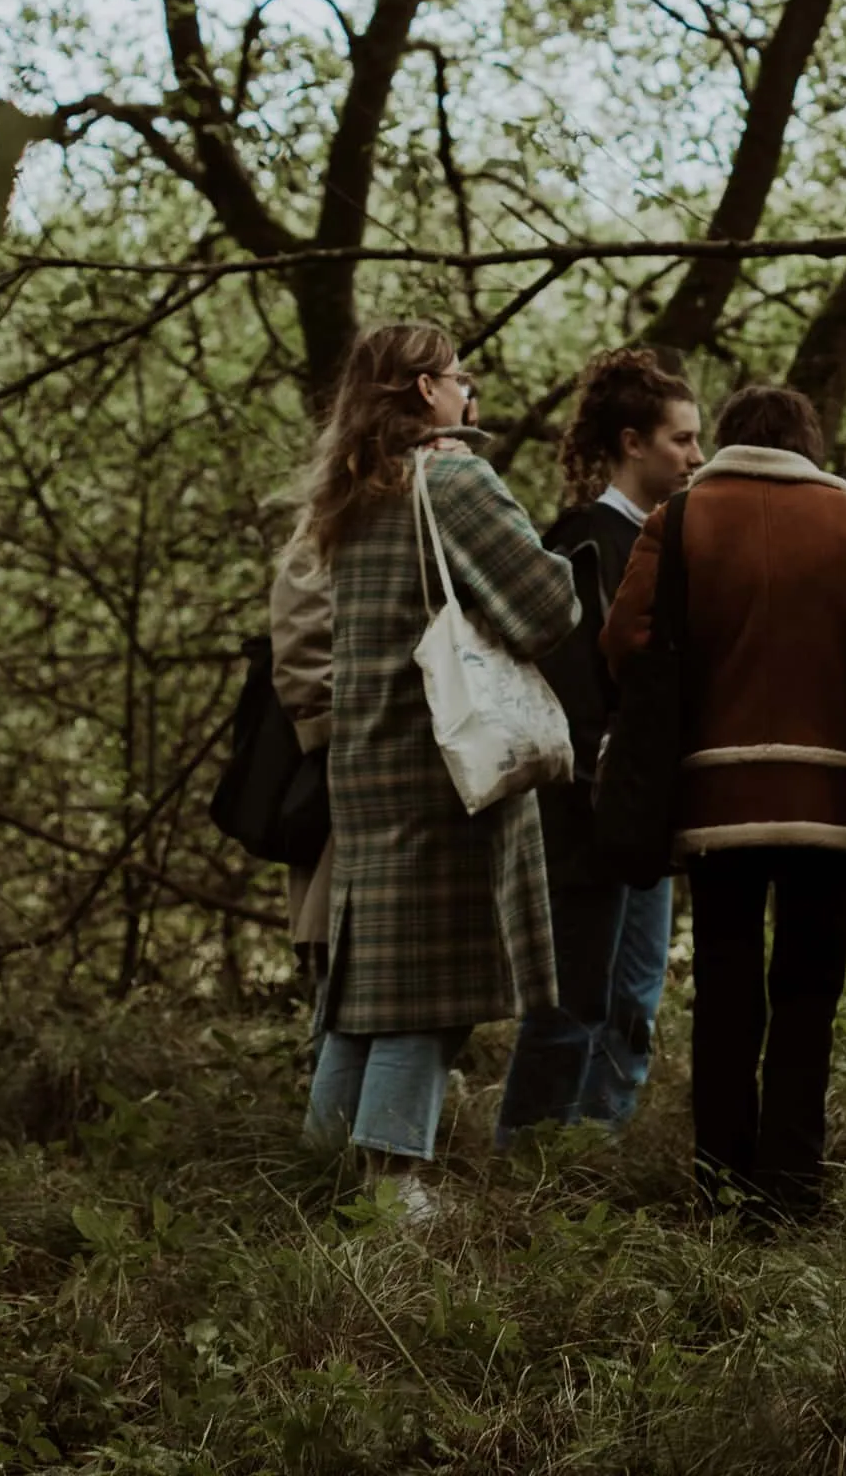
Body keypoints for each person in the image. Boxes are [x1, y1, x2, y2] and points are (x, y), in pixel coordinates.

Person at [603, 385, 846, 1219]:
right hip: (830, 794)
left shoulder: (677, 520)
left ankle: (719, 1181)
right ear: (808, 444)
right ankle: (791, 1187)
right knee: (808, 992)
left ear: (728, 440)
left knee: (726, 989)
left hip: (718, 795)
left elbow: (624, 640)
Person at [302, 323, 585, 1199]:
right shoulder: (453, 478)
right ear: (426, 391)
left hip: (369, 762)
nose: (473, 395)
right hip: (446, 766)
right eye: (462, 379)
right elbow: (548, 606)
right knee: (428, 991)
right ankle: (392, 1189)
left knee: (367, 987)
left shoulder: (350, 493)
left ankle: (318, 1175)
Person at [496, 349, 706, 1145]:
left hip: (644, 816)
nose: (696, 456)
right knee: (571, 1002)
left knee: (632, 1004)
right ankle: (527, 1162)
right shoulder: (584, 540)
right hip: (589, 821)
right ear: (631, 443)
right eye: (682, 440)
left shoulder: (664, 540)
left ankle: (593, 1159)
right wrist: (601, 797)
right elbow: (572, 691)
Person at [268, 521, 338, 1002]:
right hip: (334, 774)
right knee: (339, 973)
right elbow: (304, 675)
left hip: (349, 771)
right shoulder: (320, 542)